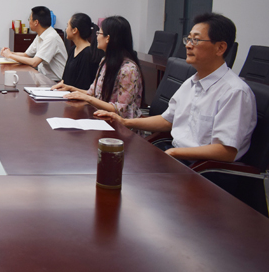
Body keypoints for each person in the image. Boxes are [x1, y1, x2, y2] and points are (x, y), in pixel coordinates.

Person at [96, 13, 256, 162]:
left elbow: (226, 151)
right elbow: (167, 120)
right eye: (189, 39)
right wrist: (125, 121)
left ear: (220, 48)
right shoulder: (191, 82)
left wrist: (174, 153)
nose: (188, 46)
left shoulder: (234, 92)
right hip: (177, 156)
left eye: (196, 40)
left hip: (203, 169)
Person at [53, 15, 143, 118]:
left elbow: (122, 109)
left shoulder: (128, 70)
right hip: (101, 117)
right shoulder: (105, 61)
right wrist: (70, 88)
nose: (96, 37)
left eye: (99, 33)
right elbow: (92, 93)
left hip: (120, 124)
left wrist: (88, 99)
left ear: (107, 38)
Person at [0, 6, 67, 81]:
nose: (29, 22)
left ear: (36, 22)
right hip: (44, 78)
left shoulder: (51, 37)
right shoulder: (41, 35)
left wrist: (10, 55)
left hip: (57, 82)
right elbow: (26, 55)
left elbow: (34, 62)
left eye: (29, 19)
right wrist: (9, 52)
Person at [56, 12, 103, 90]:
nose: (66, 29)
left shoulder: (88, 53)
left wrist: (69, 88)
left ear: (75, 30)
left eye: (67, 26)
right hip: (67, 94)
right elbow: (65, 79)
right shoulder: (73, 49)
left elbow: (85, 87)